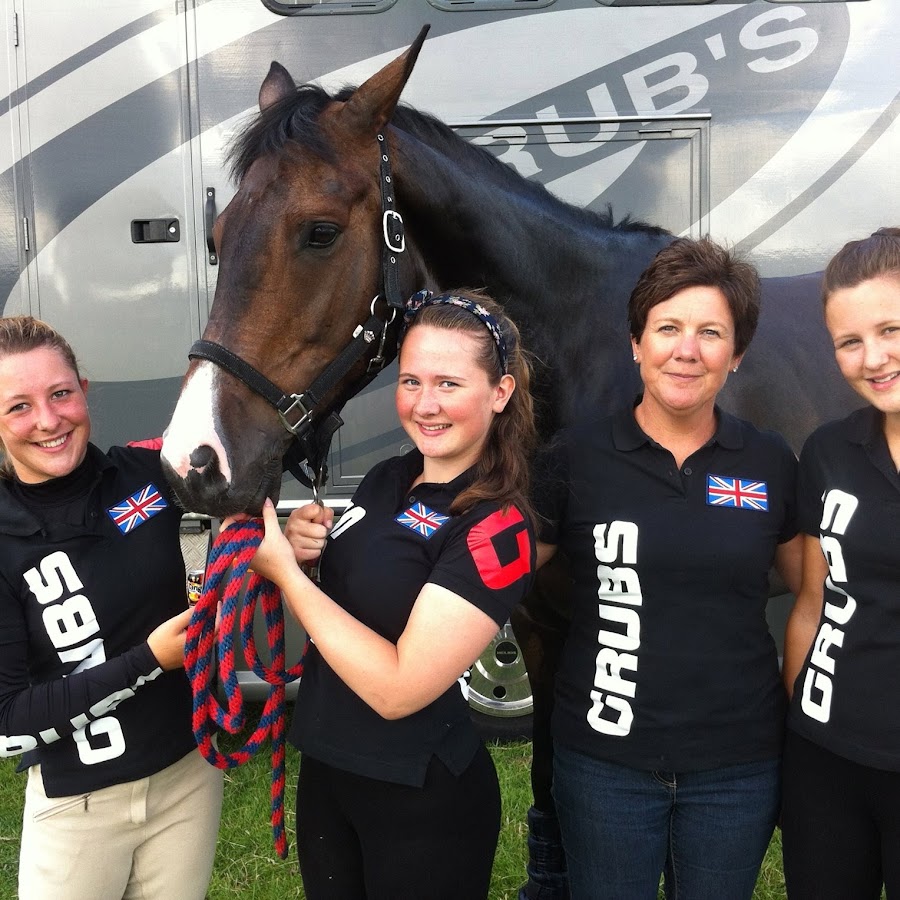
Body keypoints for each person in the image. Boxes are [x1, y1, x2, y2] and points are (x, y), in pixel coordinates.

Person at [241, 289, 537, 899]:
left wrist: (288, 577)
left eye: (449, 384)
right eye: (410, 381)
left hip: (419, 794)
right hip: (328, 770)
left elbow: (400, 689)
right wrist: (304, 555)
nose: (425, 404)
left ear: (500, 392)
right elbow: (346, 608)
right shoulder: (386, 478)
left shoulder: (497, 525)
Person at [534, 237, 803, 899]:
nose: (687, 350)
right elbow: (486, 578)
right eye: (667, 328)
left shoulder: (768, 461)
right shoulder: (574, 457)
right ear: (636, 343)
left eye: (711, 332)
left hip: (737, 769)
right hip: (604, 765)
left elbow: (820, 592)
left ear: (737, 354)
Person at [0, 316, 223, 900]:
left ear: (84, 390)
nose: (48, 420)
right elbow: (9, 720)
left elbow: (239, 513)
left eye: (60, 393)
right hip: (77, 804)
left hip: (188, 778)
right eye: (19, 406)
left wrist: (285, 540)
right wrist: (149, 660)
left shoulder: (147, 472)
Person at [780, 227, 900, 898]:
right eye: (849, 342)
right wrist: (797, 721)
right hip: (825, 761)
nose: (873, 358)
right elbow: (812, 601)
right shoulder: (829, 452)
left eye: (891, 330)